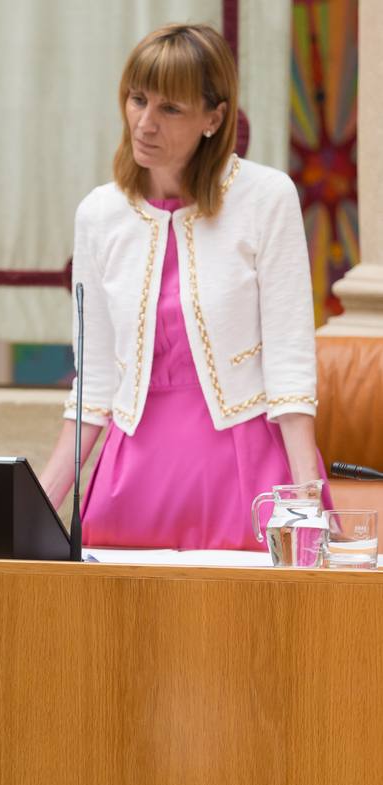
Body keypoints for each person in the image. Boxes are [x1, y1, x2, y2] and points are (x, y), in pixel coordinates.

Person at [37, 24, 327, 551]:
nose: (144, 123)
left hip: (248, 471)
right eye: (137, 99)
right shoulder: (98, 213)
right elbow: (95, 383)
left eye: (170, 108)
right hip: (134, 474)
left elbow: (289, 362)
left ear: (214, 118)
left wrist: (306, 501)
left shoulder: (268, 198)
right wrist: (31, 507)